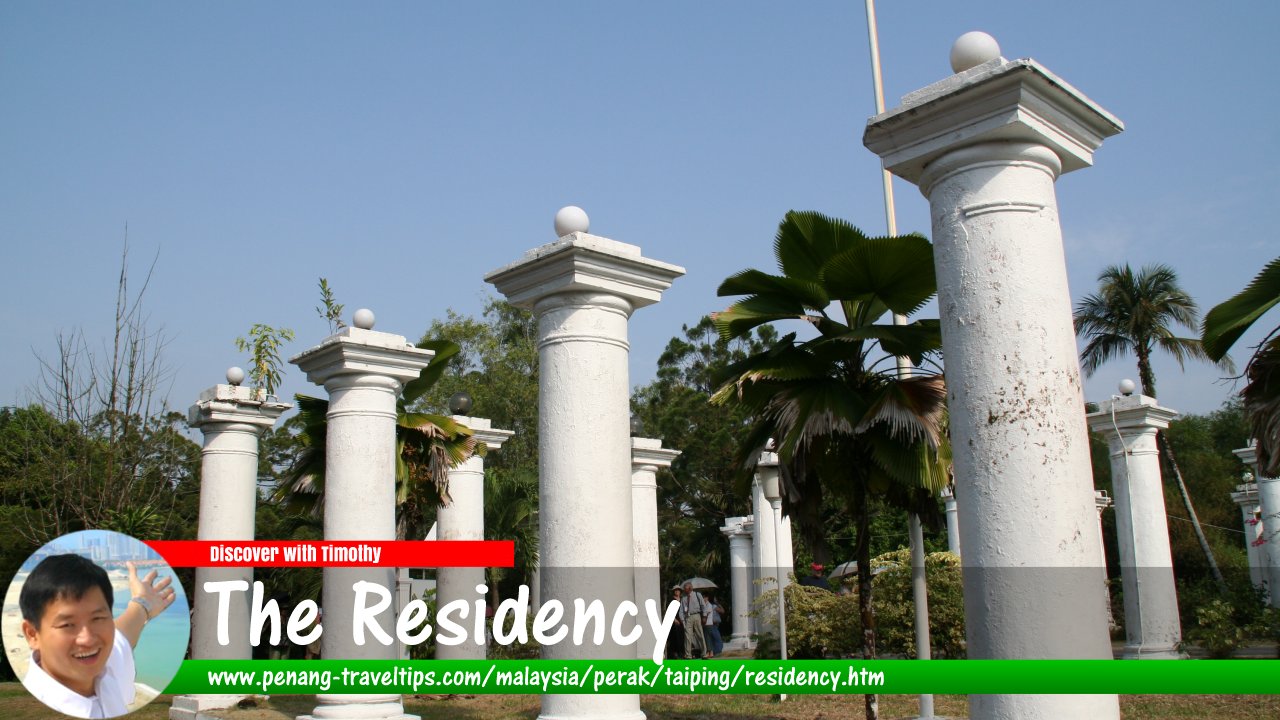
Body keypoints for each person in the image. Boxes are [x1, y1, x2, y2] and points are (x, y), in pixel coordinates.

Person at [19, 554, 177, 719]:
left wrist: (143, 603)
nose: (87, 639)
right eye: (67, 625)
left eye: (97, 618)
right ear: (32, 634)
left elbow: (122, 636)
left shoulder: (105, 668)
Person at [681, 581, 708, 659]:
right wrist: (683, 621)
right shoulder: (684, 598)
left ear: (690, 588)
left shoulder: (697, 595)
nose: (684, 590)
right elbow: (681, 610)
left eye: (685, 588)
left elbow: (703, 605)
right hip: (688, 617)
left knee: (700, 634)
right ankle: (688, 655)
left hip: (696, 615)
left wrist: (704, 616)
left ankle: (704, 653)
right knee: (687, 636)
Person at [701, 593, 725, 658]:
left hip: (713, 624)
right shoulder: (705, 606)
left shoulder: (713, 606)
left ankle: (717, 651)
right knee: (711, 638)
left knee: (715, 638)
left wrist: (718, 604)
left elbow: (722, 611)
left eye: (704, 597)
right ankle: (713, 652)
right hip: (711, 624)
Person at [665, 587, 686, 660]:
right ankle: (674, 653)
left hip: (682, 620)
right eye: (676, 590)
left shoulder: (683, 599)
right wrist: (674, 619)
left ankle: (681, 653)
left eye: (678, 590)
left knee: (682, 637)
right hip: (674, 620)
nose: (677, 591)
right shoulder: (671, 600)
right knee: (674, 637)